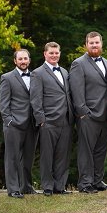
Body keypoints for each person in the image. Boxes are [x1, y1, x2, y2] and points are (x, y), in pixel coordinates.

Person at [69, 31, 107, 193]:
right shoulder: (78, 64)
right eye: (91, 43)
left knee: (102, 149)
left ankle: (97, 180)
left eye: (97, 42)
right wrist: (83, 112)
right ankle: (85, 184)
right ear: (86, 45)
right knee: (86, 150)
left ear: (101, 43)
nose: (94, 45)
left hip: (106, 114)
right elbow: (76, 90)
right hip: (88, 115)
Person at [30, 42, 70, 196]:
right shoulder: (38, 73)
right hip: (48, 121)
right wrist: (41, 119)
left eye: (56, 53)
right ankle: (47, 186)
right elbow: (35, 99)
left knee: (63, 155)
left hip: (66, 120)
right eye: (51, 53)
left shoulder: (65, 72)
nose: (54, 55)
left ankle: (60, 186)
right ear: (45, 54)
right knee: (47, 155)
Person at [0, 48, 36, 199]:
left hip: (32, 124)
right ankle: (13, 189)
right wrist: (9, 121)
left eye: (25, 59)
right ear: (15, 61)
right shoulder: (7, 78)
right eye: (20, 59)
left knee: (28, 158)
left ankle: (26, 186)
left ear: (29, 60)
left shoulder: (35, 76)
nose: (23, 61)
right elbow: (3, 103)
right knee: (12, 157)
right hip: (14, 124)